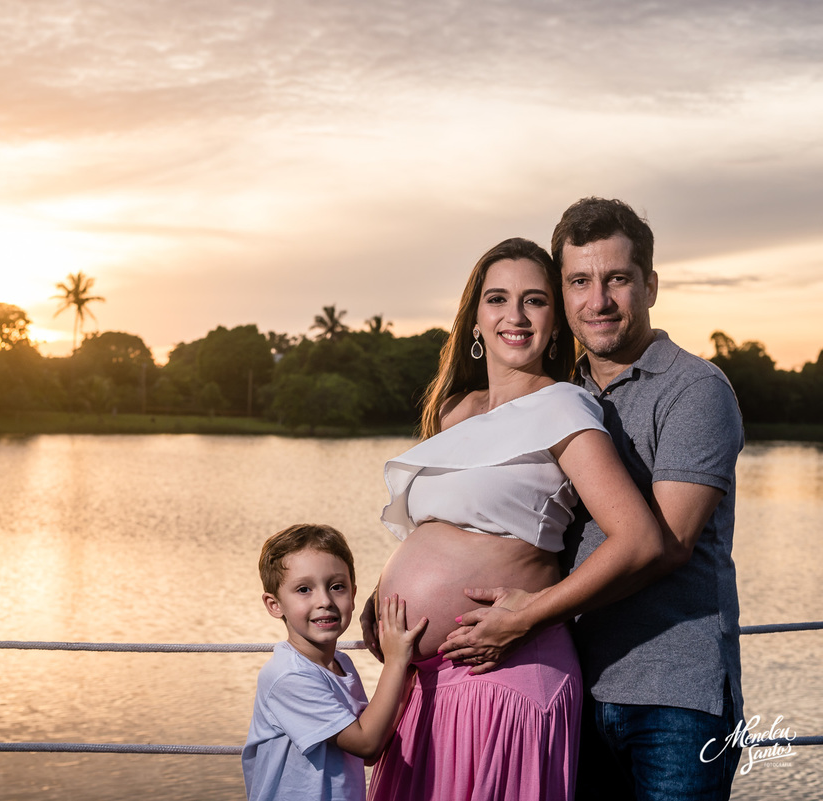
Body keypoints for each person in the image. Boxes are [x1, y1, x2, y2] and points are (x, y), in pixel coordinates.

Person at [438, 198, 745, 800]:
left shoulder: (694, 390)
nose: (597, 301)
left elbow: (667, 548)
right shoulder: (554, 395)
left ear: (650, 285)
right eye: (579, 281)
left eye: (617, 280)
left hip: (674, 697)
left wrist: (524, 615)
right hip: (572, 684)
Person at [362, 237, 665, 801]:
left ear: (556, 323)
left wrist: (526, 619)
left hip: (502, 677)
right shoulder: (453, 410)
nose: (515, 316)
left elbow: (639, 540)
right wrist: (382, 595)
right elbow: (443, 528)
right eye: (498, 299)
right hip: (424, 684)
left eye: (535, 300)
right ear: (475, 319)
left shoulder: (562, 407)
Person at [242, 523, 427, 801]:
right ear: (274, 604)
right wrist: (395, 662)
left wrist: (411, 670)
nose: (325, 600)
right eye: (304, 589)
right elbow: (366, 745)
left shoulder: (342, 664)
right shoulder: (288, 676)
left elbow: (371, 744)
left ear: (353, 595)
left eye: (337, 586)